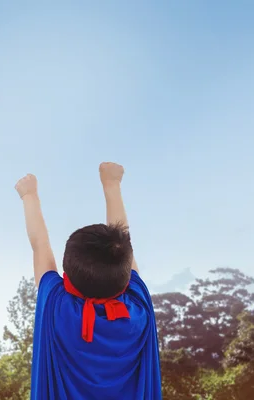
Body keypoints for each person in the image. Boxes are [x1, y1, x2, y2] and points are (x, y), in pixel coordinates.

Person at [15, 162, 161, 400]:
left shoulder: (57, 306)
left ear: (67, 274)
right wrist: (112, 185)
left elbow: (39, 245)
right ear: (125, 277)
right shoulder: (138, 310)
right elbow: (123, 244)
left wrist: (29, 195)